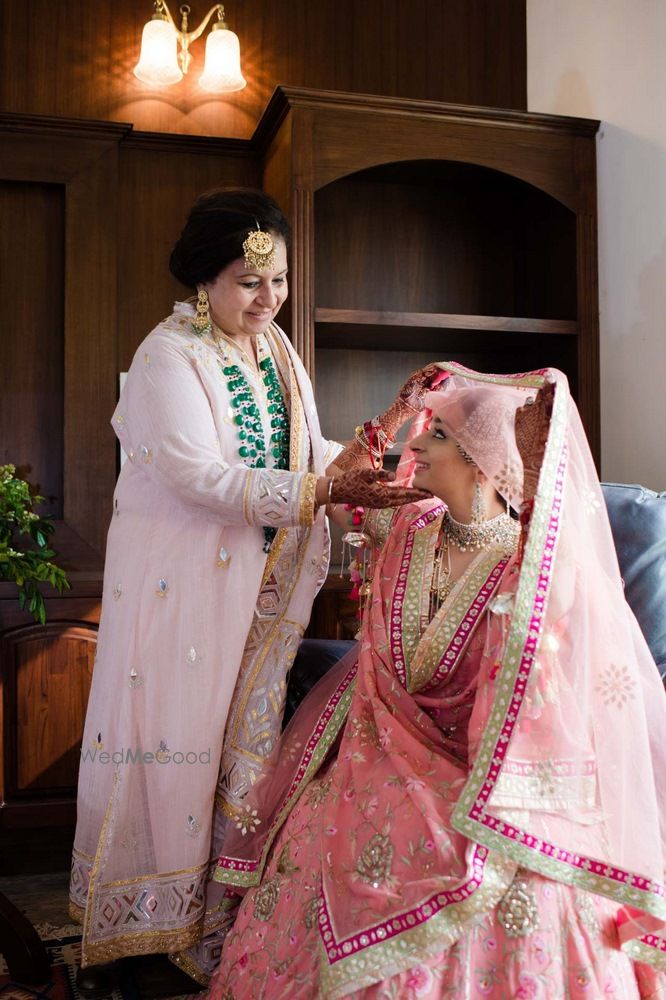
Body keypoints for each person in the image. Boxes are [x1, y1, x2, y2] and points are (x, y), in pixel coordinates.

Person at [207, 363, 666, 999]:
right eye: (421, 431)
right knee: (328, 817)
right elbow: (345, 486)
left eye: (438, 435)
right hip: (382, 745)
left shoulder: (530, 570)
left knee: (519, 873)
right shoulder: (404, 524)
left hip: (487, 770)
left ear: (483, 459)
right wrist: (396, 410)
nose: (414, 446)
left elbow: (548, 703)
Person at [69, 188, 434, 987]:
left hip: (261, 594)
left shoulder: (275, 352)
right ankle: (144, 939)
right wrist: (324, 492)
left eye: (280, 282)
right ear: (205, 280)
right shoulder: (171, 354)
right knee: (171, 746)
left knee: (236, 756)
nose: (268, 300)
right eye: (248, 282)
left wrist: (363, 466)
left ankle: (209, 931)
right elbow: (201, 474)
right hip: (184, 589)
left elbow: (302, 448)